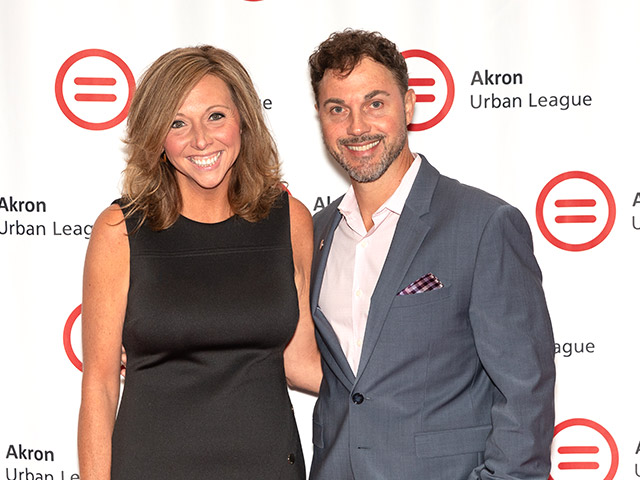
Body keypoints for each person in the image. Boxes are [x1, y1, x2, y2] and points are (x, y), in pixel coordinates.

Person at [307, 29, 556, 480]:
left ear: (409, 104)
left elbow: (526, 391)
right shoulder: (317, 233)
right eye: (337, 109)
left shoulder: (483, 224)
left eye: (375, 103)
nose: (357, 126)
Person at [77, 45, 321, 480]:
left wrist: (418, 381)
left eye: (215, 116)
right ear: (157, 137)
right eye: (178, 123)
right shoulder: (120, 231)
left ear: (243, 119)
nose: (201, 140)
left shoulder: (290, 220)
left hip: (267, 467)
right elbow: (98, 385)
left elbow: (300, 360)